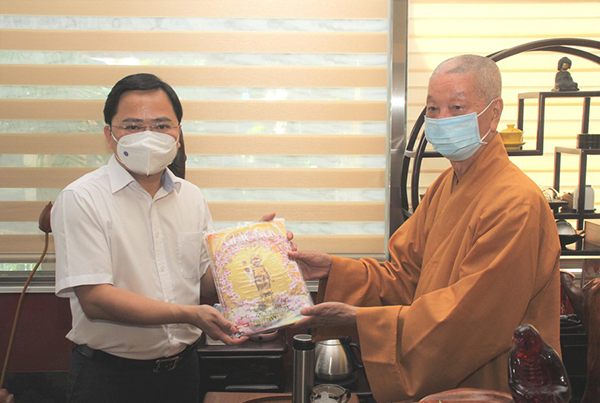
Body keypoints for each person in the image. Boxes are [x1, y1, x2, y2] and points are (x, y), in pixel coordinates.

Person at [290, 55, 561, 402]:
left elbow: (470, 320)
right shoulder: (445, 185)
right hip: (442, 384)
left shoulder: (516, 203)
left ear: (494, 113)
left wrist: (362, 320)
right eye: (433, 109)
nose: (442, 119)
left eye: (457, 107)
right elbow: (406, 277)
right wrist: (333, 268)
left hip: (490, 387)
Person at [52, 73, 248, 403]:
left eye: (161, 125)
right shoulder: (81, 198)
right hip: (109, 379)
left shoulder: (191, 196)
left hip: (182, 374)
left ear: (178, 134)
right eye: (132, 126)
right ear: (110, 135)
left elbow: (204, 281)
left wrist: (254, 251)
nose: (148, 137)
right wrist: (188, 314)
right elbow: (96, 299)